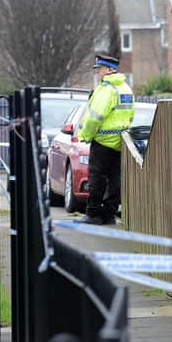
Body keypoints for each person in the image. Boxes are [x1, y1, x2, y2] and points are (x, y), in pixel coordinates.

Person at [75, 54, 135, 225]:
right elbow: (130, 116)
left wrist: (86, 135)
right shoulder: (125, 89)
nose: (97, 73)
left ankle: (93, 213)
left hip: (102, 141)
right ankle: (109, 214)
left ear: (110, 70)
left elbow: (95, 118)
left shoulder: (107, 90)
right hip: (119, 142)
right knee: (115, 178)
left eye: (100, 69)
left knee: (97, 177)